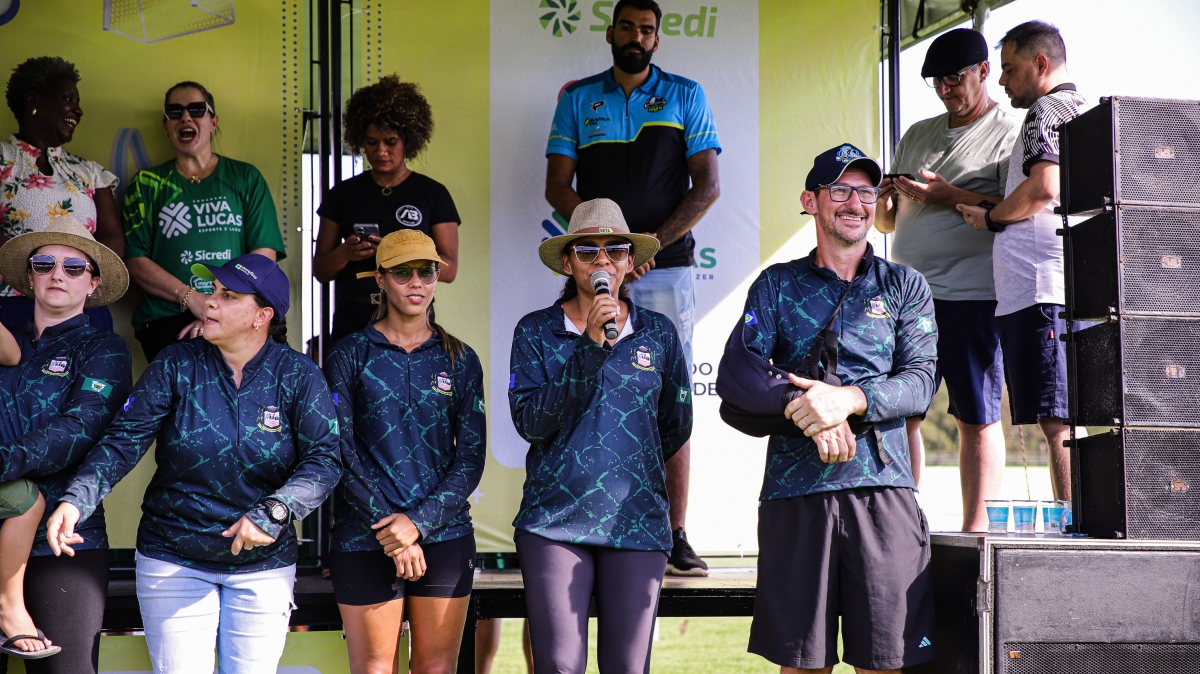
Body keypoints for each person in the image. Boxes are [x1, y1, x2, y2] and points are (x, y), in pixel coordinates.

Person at [44, 254, 341, 674]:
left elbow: (324, 461)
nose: (210, 301)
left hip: (263, 565)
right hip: (173, 557)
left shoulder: (298, 374)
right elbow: (124, 441)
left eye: (229, 295)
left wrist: (274, 512)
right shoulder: (176, 363)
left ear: (263, 316)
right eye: (212, 291)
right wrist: (77, 500)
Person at [723, 144, 937, 673]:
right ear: (811, 201)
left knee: (886, 663)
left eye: (866, 192)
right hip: (795, 494)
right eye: (840, 190)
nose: (855, 203)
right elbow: (738, 373)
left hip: (883, 491)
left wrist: (849, 399)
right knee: (802, 665)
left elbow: (920, 382)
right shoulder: (776, 284)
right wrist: (806, 406)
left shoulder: (905, 285)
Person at [544, 0, 719, 577]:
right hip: (595, 265)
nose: (636, 37)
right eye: (627, 27)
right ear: (611, 32)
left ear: (657, 39)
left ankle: (674, 532)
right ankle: (586, 521)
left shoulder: (685, 94)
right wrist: (610, 247)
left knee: (671, 396)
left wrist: (646, 248)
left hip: (664, 267)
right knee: (587, 381)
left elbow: (707, 187)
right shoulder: (578, 98)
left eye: (647, 29)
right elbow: (557, 187)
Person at [509, 198, 692, 674]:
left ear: (631, 262)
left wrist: (632, 469)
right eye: (588, 251)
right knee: (560, 666)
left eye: (615, 250)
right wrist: (590, 346)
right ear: (567, 263)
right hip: (555, 521)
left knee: (627, 668)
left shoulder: (659, 333)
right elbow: (531, 422)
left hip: (635, 522)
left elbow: (675, 424)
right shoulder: (535, 332)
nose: (602, 261)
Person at [874, 28, 1020, 531]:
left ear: (983, 71)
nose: (944, 89)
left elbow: (1017, 208)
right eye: (936, 82)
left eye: (954, 79)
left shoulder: (1010, 133)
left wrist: (948, 195)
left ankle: (976, 534)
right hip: (906, 298)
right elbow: (888, 224)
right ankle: (901, 526)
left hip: (972, 295)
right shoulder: (917, 132)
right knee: (900, 414)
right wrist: (883, 200)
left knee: (975, 416)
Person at [324, 230, 485, 673]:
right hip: (363, 533)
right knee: (375, 668)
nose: (416, 282)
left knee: (436, 668)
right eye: (402, 272)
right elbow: (339, 451)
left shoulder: (461, 358)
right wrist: (392, 531)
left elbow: (470, 458)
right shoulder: (349, 354)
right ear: (380, 279)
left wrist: (416, 524)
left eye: (427, 271)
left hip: (444, 533)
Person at [958, 21, 1088, 501]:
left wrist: (992, 217)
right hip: (1057, 287)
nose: (1001, 80)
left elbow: (1044, 188)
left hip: (1041, 292)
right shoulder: (1081, 109)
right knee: (1065, 415)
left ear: (1040, 64)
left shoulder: (1045, 111)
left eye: (1009, 69)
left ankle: (1074, 525)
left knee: (1058, 420)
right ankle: (1080, 518)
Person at [0, 216, 132, 673]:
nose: (58, 274)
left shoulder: (104, 348)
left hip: (64, 541)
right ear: (29, 278)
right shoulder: (5, 343)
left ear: (92, 284)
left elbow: (78, 430)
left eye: (74, 267)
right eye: (45, 264)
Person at [124, 81, 286, 362]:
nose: (186, 117)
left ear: (213, 122)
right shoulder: (146, 184)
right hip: (169, 319)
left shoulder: (246, 178)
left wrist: (218, 309)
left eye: (197, 109)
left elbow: (263, 258)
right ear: (166, 125)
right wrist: (192, 299)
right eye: (175, 112)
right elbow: (136, 261)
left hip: (239, 316)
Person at [314, 76, 460, 349]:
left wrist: (401, 254)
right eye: (371, 142)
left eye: (391, 142)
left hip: (410, 318)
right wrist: (345, 253)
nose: (381, 151)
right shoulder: (343, 194)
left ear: (408, 140)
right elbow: (321, 270)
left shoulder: (433, 194)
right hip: (352, 316)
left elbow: (450, 269)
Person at [0, 56, 125, 332]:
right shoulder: (2, 161)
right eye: (68, 99)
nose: (78, 110)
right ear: (33, 101)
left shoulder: (90, 172)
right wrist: (39, 275)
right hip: (12, 305)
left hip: (83, 308)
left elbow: (112, 235)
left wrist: (75, 276)